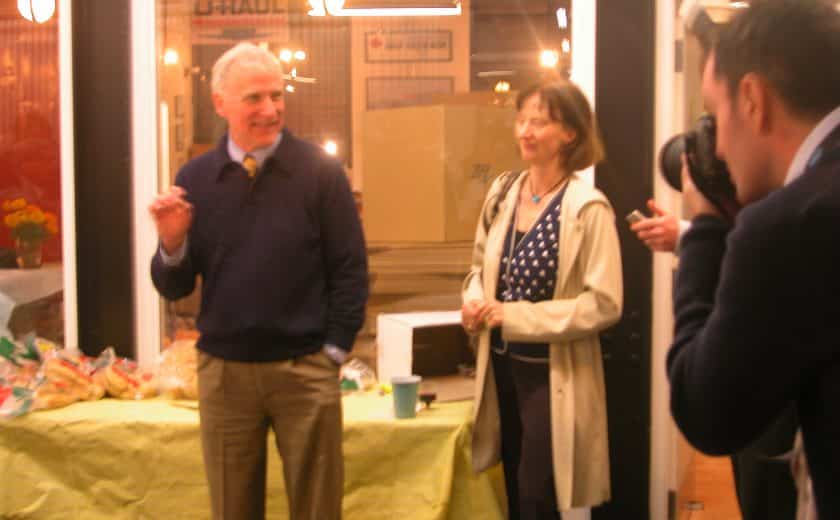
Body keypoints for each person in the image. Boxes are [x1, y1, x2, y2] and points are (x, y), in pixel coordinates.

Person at [148, 42, 368, 520]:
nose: (270, 109)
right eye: (254, 98)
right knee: (232, 508)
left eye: (276, 95)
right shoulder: (197, 178)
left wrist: (333, 349)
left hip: (305, 371)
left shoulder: (320, 173)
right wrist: (172, 244)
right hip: (225, 375)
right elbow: (175, 286)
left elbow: (350, 268)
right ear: (220, 103)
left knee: (318, 509)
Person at [666, 2, 840, 519]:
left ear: (752, 99)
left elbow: (708, 412)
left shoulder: (792, 224)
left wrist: (705, 229)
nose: (715, 148)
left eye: (715, 117)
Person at [461, 81, 623, 519]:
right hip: (499, 372)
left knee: (536, 498)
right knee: (510, 489)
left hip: (551, 379)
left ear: (569, 134)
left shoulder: (588, 208)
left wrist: (514, 317)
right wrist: (475, 301)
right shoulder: (502, 194)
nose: (526, 131)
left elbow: (604, 303)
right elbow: (478, 268)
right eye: (522, 119)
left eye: (540, 121)